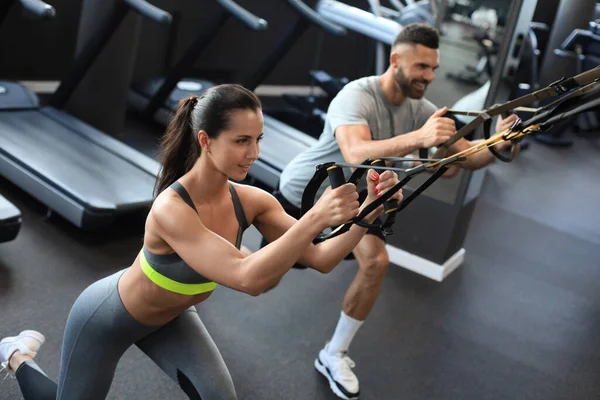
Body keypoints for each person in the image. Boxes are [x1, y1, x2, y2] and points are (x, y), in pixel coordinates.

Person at [0, 84, 403, 400]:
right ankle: (18, 356)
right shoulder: (171, 209)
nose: (255, 153)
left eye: (258, 139)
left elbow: (321, 258)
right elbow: (248, 279)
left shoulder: (252, 201)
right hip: (106, 319)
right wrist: (315, 216)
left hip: (172, 317)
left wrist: (371, 208)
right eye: (242, 141)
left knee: (219, 395)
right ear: (207, 141)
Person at [270, 24, 518, 400]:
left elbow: (466, 158)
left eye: (434, 68)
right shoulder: (357, 95)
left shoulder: (425, 111)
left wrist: (501, 143)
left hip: (356, 203)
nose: (430, 77)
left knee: (376, 262)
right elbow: (355, 151)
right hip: (302, 197)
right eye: (421, 67)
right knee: (259, 280)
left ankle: (333, 353)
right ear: (396, 60)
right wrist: (420, 138)